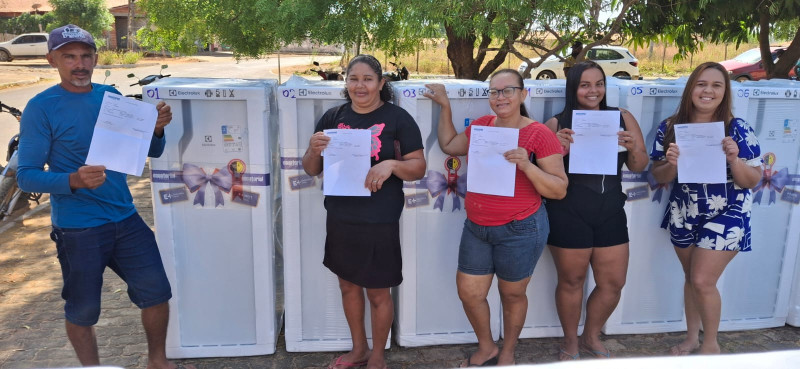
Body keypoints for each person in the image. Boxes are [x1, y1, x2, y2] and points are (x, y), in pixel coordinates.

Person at [15, 25, 187, 369]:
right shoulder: (41, 107)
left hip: (125, 218)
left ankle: (158, 362)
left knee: (156, 293)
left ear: (95, 58)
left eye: (85, 56)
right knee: (83, 310)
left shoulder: (110, 97)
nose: (79, 64)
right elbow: (25, 174)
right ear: (53, 60)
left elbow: (148, 151)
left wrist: (156, 129)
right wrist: (73, 181)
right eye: (69, 56)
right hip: (79, 228)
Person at [424, 69, 568, 367]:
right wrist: (445, 106)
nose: (500, 97)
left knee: (512, 294)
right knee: (470, 293)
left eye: (507, 90)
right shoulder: (481, 126)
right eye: (494, 91)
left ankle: (508, 353)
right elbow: (450, 145)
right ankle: (487, 347)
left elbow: (559, 189)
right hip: (477, 227)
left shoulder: (538, 134)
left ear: (522, 94)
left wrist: (527, 167)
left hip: (521, 227)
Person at [302, 54, 425, 369]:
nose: (360, 85)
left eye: (368, 79)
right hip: (341, 216)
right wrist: (312, 150)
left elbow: (418, 168)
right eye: (353, 79)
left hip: (379, 219)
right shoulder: (332, 117)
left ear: (381, 83)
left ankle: (378, 357)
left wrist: (392, 164)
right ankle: (359, 349)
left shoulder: (398, 119)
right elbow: (312, 169)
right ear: (346, 83)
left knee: (378, 292)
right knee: (348, 285)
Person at [650, 62, 762, 355]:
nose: (708, 91)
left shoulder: (737, 128)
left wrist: (735, 159)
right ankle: (691, 338)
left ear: (725, 92)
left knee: (702, 279)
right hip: (684, 212)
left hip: (728, 212)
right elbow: (657, 175)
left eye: (716, 85)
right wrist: (670, 164)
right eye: (701, 84)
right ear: (691, 89)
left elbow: (752, 180)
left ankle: (711, 345)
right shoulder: (670, 127)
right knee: (692, 279)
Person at [544, 61, 648, 360]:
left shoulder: (622, 117)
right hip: (567, 211)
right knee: (571, 281)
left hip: (610, 209)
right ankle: (570, 342)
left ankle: (591, 335)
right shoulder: (557, 123)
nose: (594, 90)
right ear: (573, 88)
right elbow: (542, 175)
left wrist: (632, 147)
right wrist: (558, 149)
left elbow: (639, 166)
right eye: (585, 84)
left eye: (599, 83)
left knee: (613, 282)